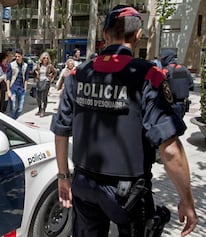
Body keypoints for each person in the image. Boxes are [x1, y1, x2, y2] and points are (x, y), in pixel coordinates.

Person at [51, 5, 197, 237]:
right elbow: (169, 149)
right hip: (128, 193)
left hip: (84, 183)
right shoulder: (148, 76)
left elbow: (61, 131)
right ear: (138, 35)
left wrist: (63, 177)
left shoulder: (78, 75)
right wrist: (187, 200)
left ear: (106, 34)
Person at [160, 49, 195, 118]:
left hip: (169, 105)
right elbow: (191, 86)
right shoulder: (184, 69)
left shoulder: (165, 71)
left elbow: (158, 88)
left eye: (163, 58)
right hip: (182, 105)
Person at [6, 48, 28, 119]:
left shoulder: (25, 66)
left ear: (22, 56)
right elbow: (8, 78)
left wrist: (25, 88)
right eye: (16, 56)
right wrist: (8, 90)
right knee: (13, 106)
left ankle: (13, 120)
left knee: (20, 108)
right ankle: (11, 121)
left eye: (19, 56)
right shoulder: (11, 65)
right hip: (13, 88)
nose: (17, 58)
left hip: (21, 89)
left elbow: (26, 78)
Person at [33, 51, 56, 117]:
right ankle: (39, 109)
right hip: (39, 82)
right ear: (41, 59)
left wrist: (51, 79)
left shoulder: (50, 66)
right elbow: (33, 71)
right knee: (38, 97)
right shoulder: (38, 65)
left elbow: (55, 72)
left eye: (47, 58)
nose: (45, 59)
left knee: (44, 97)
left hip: (46, 82)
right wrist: (36, 71)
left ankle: (43, 110)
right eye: (44, 58)